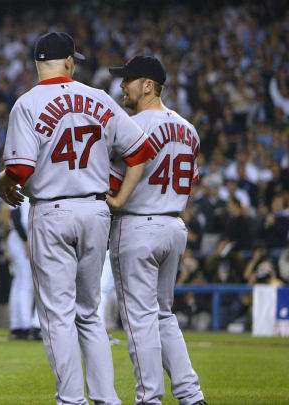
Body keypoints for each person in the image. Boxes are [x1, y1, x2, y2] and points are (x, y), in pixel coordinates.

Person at [0, 32, 156, 405]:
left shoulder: (28, 102)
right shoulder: (99, 98)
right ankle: (106, 398)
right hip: (95, 209)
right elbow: (140, 151)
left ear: (38, 64)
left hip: (52, 211)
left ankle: (71, 399)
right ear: (69, 62)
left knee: (57, 315)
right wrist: (119, 198)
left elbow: (19, 168)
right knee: (89, 314)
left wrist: (3, 184)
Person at [108, 55, 207, 405]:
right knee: (163, 314)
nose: (122, 85)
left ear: (148, 85)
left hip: (137, 226)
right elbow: (190, 182)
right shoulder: (188, 128)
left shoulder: (132, 125)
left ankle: (149, 398)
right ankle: (190, 395)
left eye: (129, 80)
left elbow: (113, 183)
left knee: (139, 319)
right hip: (173, 226)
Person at [6, 199, 41, 340]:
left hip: (21, 237)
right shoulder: (21, 183)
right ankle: (27, 326)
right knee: (26, 283)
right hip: (23, 238)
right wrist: (25, 239)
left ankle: (18, 325)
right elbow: (15, 215)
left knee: (20, 282)